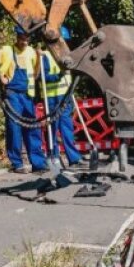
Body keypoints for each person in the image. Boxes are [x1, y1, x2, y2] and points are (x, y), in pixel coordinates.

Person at [0, 26, 47, 174]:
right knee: (14, 128)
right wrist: (0, 77)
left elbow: (35, 74)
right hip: (12, 95)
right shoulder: (7, 51)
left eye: (27, 38)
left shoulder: (31, 52)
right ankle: (17, 163)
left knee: (32, 128)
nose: (25, 41)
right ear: (17, 37)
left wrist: (38, 61)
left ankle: (38, 163)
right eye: (22, 38)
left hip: (27, 95)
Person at [37, 26, 81, 166]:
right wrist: (58, 76)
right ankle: (53, 156)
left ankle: (73, 157)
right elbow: (43, 77)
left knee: (67, 128)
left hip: (65, 96)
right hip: (51, 98)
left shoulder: (67, 56)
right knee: (52, 128)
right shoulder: (46, 56)